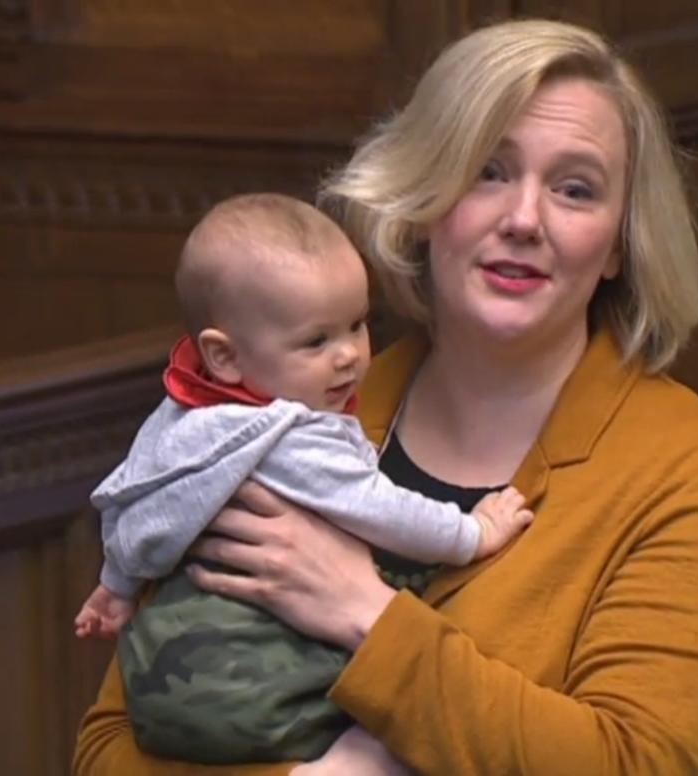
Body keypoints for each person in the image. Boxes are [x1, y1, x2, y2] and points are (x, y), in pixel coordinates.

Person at [74, 17, 698, 776]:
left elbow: (634, 766)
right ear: (424, 199)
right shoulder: (275, 417)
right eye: (488, 171)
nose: (523, 219)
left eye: (575, 190)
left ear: (617, 244)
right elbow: (110, 746)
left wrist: (366, 615)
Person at [73, 192, 534, 764]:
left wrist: (115, 586)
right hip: (255, 678)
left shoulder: (184, 419)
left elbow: (142, 497)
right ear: (225, 357)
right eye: (316, 341)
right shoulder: (293, 436)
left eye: (357, 325)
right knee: (384, 706)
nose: (348, 357)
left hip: (161, 679)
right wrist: (472, 533)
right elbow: (382, 509)